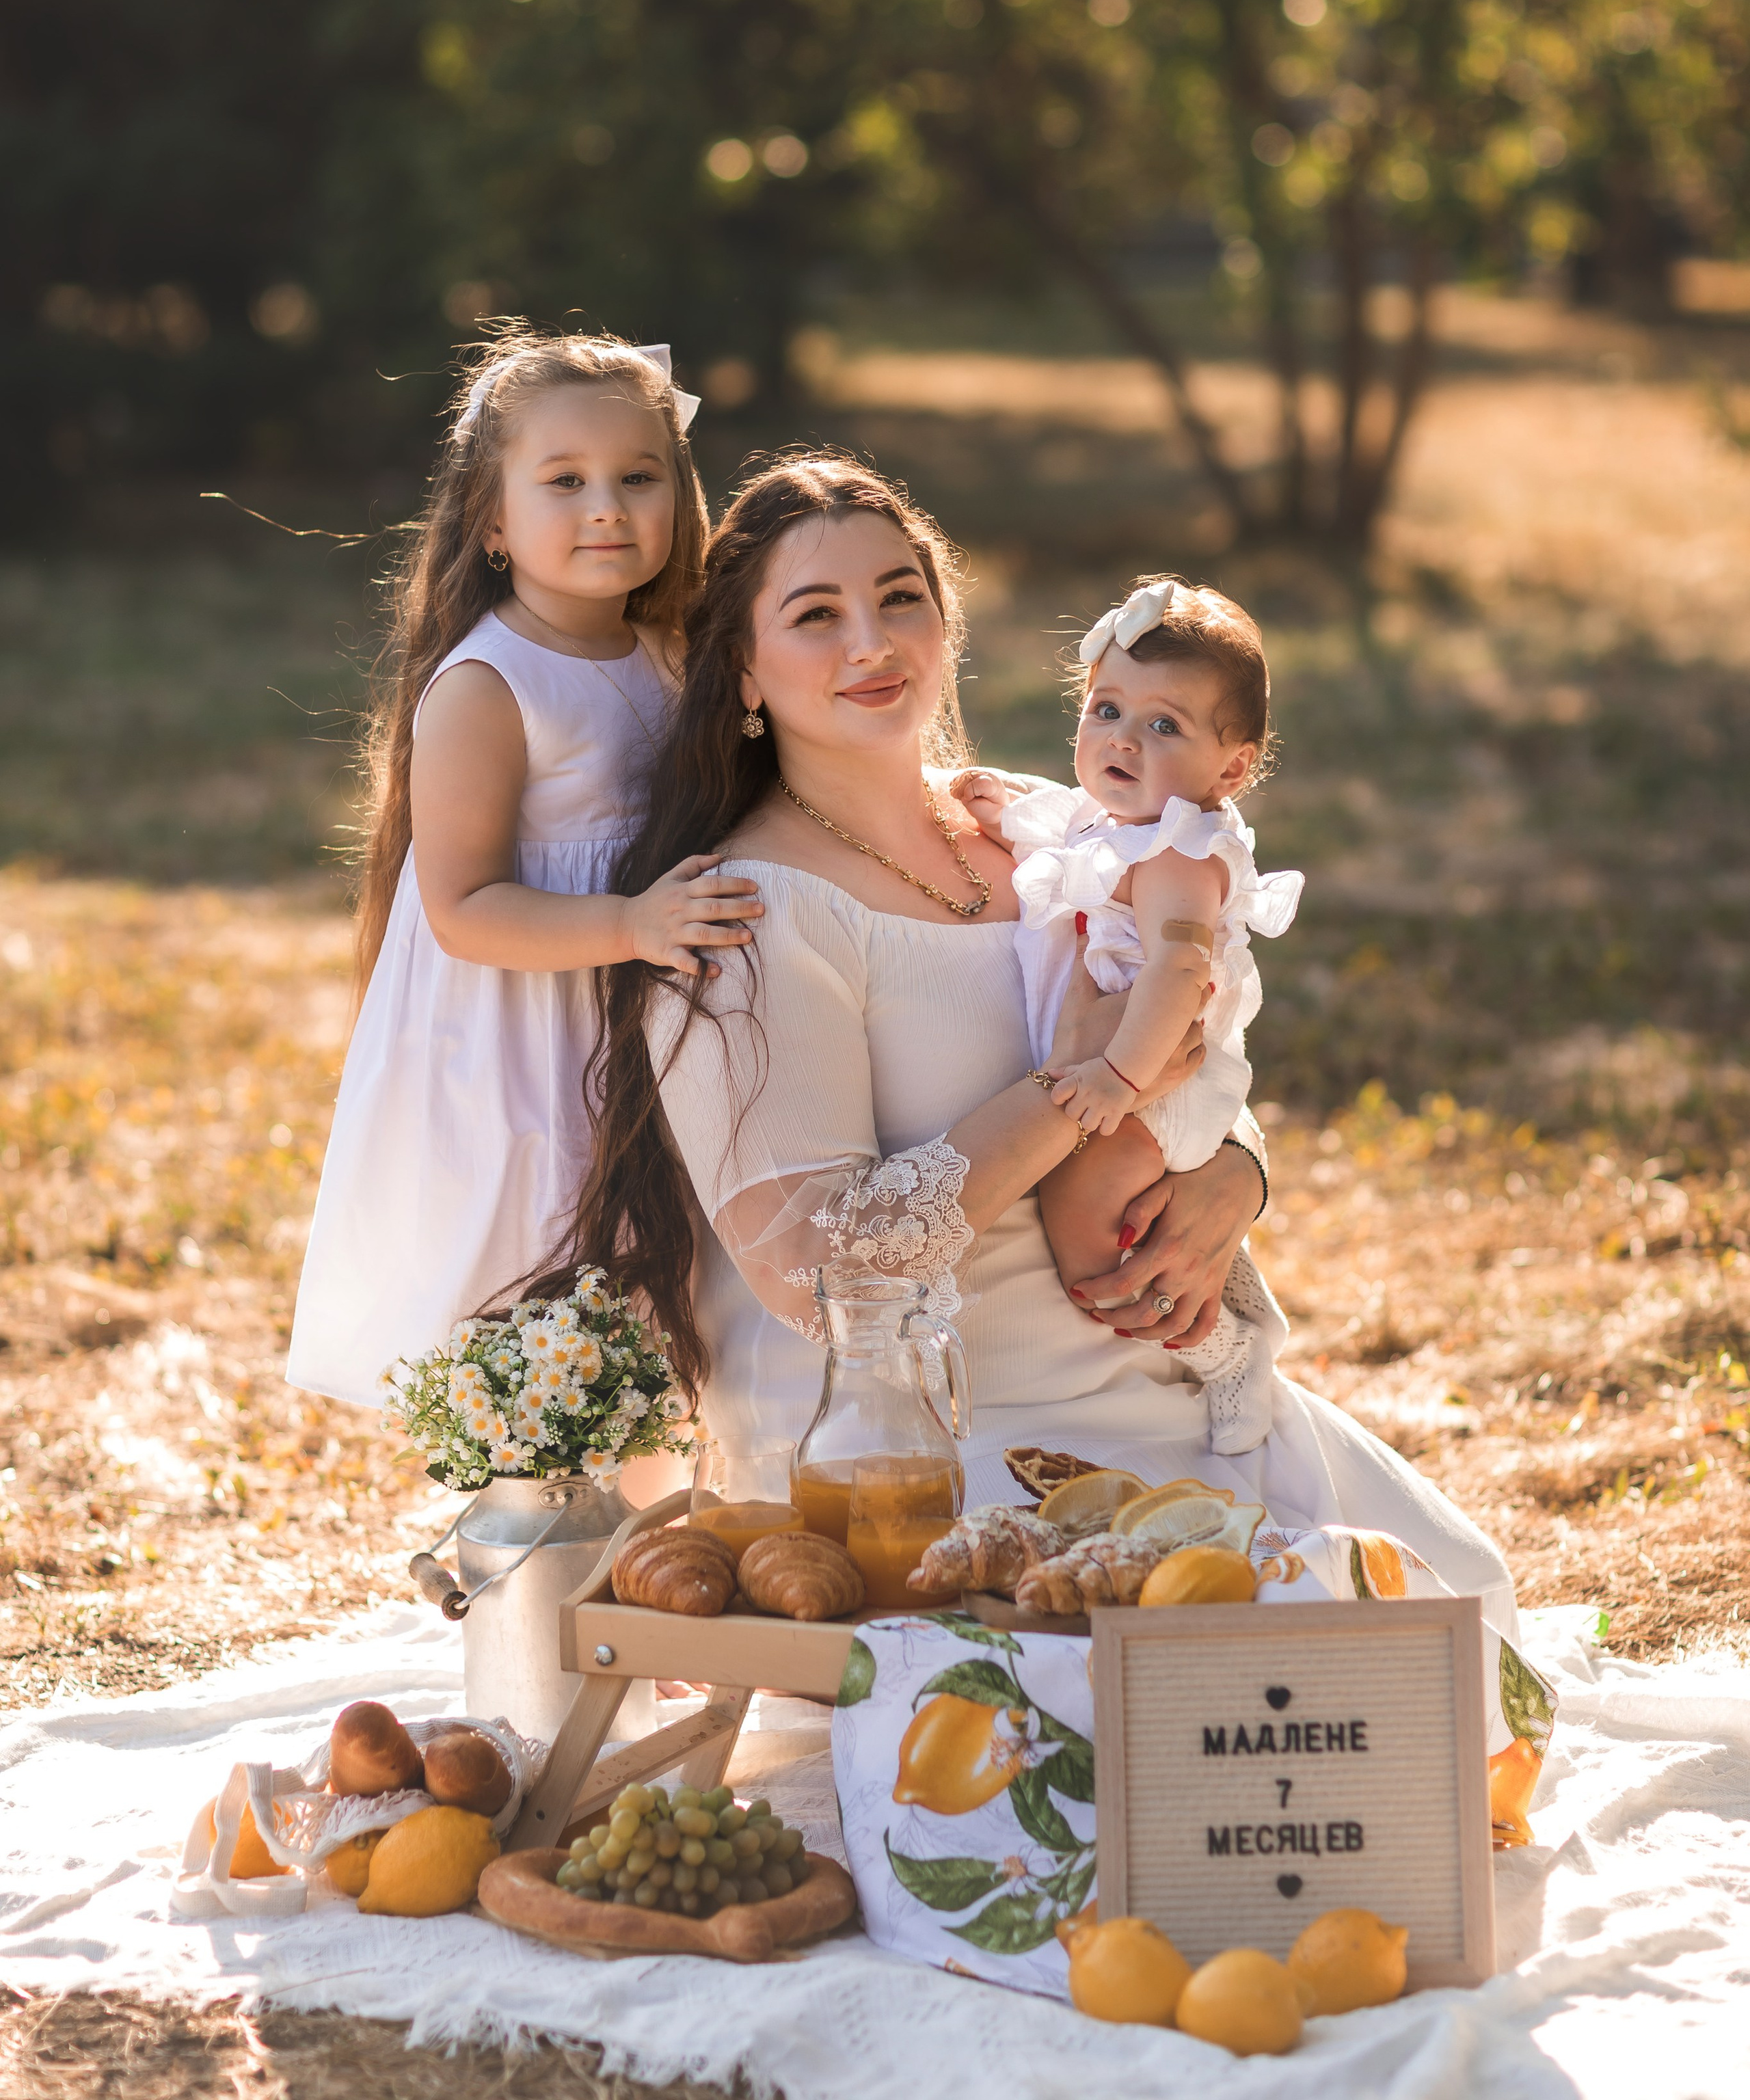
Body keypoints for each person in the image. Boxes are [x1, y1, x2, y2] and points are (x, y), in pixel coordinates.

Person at [535, 454, 1518, 1636]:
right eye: (816, 615)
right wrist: (1068, 1094)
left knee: (1448, 1616)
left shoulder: (1036, 824)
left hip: (1157, 1382)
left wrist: (1234, 1172)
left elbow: (1190, 1024)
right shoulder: (746, 915)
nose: (872, 642)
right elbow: (820, 1271)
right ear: (741, 666)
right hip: (930, 1446)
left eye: (901, 597)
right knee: (1181, 1678)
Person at [286, 330, 762, 1409]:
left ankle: (644, 1485)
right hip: (524, 1036)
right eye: (565, 481)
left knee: (652, 1260)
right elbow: (462, 907)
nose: (608, 507)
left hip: (638, 1017)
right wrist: (632, 926)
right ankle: (525, 1488)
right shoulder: (488, 684)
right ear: (492, 520)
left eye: (639, 476)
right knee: (543, 1248)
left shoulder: (668, 654)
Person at [955, 571, 1302, 1450]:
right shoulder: (1118, 819)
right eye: (1106, 709)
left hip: (1161, 1067)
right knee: (1104, 1204)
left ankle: (1224, 1348)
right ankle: (1215, 1305)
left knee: (1083, 1214)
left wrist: (1116, 1076)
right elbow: (1065, 841)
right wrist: (1005, 815)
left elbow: (1180, 969)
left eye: (1164, 725)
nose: (1122, 739)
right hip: (1131, 1060)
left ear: (1232, 768)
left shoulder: (1181, 853)